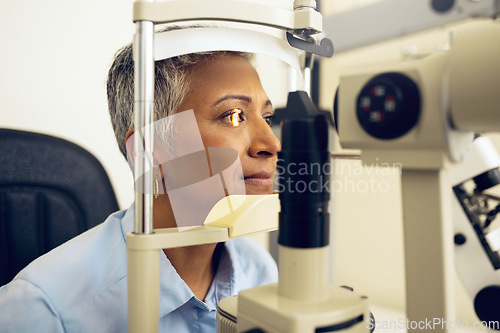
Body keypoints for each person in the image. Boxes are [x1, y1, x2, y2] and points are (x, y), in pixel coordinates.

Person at [0, 34, 281, 332]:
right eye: (234, 116)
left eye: (266, 116)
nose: (272, 143)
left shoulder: (258, 271)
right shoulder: (44, 309)